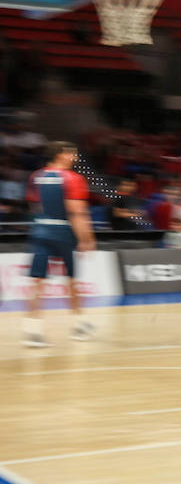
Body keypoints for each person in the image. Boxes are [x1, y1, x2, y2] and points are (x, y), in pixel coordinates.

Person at [22, 141, 96, 347]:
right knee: (71, 280)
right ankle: (79, 326)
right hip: (63, 232)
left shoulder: (35, 176)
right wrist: (86, 238)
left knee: (37, 282)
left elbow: (34, 205)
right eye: (72, 154)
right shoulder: (73, 178)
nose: (75, 158)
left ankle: (32, 332)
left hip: (40, 230)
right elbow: (77, 212)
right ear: (61, 154)